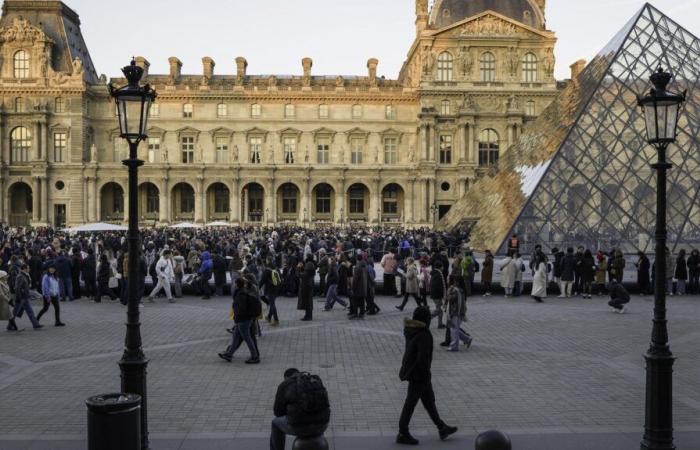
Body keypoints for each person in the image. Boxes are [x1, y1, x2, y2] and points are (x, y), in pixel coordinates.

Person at [397, 306, 457, 445]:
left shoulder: (411, 330)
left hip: (415, 372)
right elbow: (423, 359)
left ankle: (441, 427)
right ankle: (402, 432)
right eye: (429, 318)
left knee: (429, 402)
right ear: (425, 320)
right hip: (419, 375)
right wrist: (425, 376)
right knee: (410, 403)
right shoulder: (424, 334)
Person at [270, 368, 330, 450]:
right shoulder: (315, 380)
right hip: (323, 425)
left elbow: (278, 412)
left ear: (286, 378)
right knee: (317, 417)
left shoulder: (285, 385)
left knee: (275, 423)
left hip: (299, 427)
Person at [218, 277, 261, 364]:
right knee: (235, 337)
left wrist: (237, 316)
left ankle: (255, 356)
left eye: (234, 283)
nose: (233, 285)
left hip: (243, 320)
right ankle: (229, 354)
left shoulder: (242, 294)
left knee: (247, 338)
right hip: (243, 319)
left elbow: (241, 308)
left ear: (237, 285)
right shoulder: (243, 291)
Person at [445, 276, 471, 351]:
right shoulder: (461, 290)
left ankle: (454, 346)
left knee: (454, 329)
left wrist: (449, 291)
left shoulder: (455, 290)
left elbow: (450, 298)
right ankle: (467, 339)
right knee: (455, 328)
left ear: (456, 282)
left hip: (455, 311)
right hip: (460, 311)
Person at [12, 264, 41, 329]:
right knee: (15, 312)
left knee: (30, 311)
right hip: (21, 297)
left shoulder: (25, 275)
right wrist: (18, 297)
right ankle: (10, 325)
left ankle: (35, 324)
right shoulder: (20, 276)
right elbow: (17, 288)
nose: (29, 269)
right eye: (28, 268)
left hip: (25, 296)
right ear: (24, 269)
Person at [260, 259, 281, 326]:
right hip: (276, 288)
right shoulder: (276, 269)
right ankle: (269, 317)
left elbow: (262, 281)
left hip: (270, 289)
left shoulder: (267, 271)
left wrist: (257, 288)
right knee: (272, 303)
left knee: (272, 304)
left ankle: (276, 320)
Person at [349, 255, 368, 320]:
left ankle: (355, 313)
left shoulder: (357, 267)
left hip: (358, 288)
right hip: (363, 287)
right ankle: (362, 314)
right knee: (362, 301)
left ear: (357, 260)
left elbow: (355, 279)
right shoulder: (365, 266)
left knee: (355, 301)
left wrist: (352, 288)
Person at [429, 261, 447, 329]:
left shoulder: (436, 273)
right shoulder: (438, 274)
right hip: (437, 295)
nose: (443, 267)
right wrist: (442, 295)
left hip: (436, 294)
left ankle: (440, 324)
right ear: (440, 267)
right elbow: (438, 286)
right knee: (439, 310)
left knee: (439, 310)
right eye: (442, 266)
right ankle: (427, 318)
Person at [297, 255, 315, 321]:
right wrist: (302, 268)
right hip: (308, 285)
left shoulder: (309, 264)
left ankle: (308, 316)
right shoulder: (310, 264)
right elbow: (306, 273)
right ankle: (307, 315)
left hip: (307, 286)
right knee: (308, 301)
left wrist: (299, 268)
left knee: (307, 302)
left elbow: (303, 275)